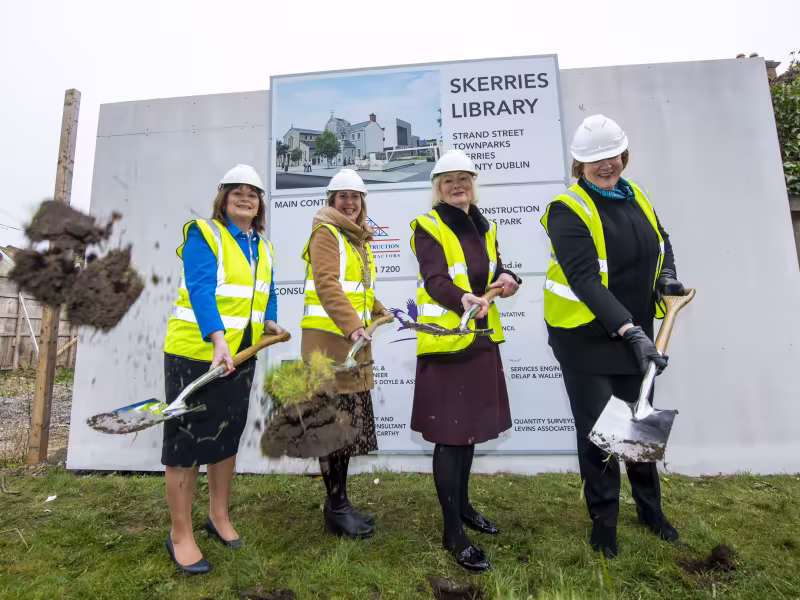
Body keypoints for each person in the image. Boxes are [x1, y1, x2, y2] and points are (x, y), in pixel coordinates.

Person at [540, 115, 686, 558]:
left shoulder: (634, 192)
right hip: (586, 338)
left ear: (623, 155)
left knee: (639, 421)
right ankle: (604, 519)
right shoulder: (567, 209)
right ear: (578, 164)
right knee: (599, 433)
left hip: (636, 333)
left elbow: (662, 241)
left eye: (612, 156)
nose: (606, 166)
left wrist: (669, 278)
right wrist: (631, 331)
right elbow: (584, 279)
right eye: (593, 160)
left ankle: (649, 509)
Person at [161, 164, 286, 574]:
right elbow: (200, 289)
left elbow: (264, 291)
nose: (246, 197)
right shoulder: (204, 233)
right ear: (224, 198)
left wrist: (268, 319)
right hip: (196, 354)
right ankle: (180, 534)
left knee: (225, 437)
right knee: (185, 443)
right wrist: (218, 341)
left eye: (253, 192)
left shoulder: (262, 246)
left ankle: (217, 517)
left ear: (260, 203)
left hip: (240, 357)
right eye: (238, 191)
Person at [409, 150, 521, 573]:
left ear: (473, 184)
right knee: (449, 436)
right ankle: (452, 531)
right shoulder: (428, 226)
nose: (457, 186)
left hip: (479, 337)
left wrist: (509, 277)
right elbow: (435, 279)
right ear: (436, 187)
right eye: (448, 180)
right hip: (449, 342)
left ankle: (466, 507)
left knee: (469, 432)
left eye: (464, 179)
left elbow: (494, 266)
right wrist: (463, 299)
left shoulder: (483, 223)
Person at [300, 168, 392, 539]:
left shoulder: (354, 238)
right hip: (332, 345)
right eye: (343, 197)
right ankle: (336, 508)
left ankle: (339, 503)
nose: (350, 203)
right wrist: (354, 324)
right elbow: (326, 284)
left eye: (355, 197)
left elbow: (359, 289)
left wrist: (377, 310)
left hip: (351, 344)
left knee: (346, 429)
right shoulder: (326, 233)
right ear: (331, 200)